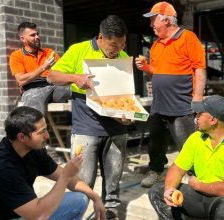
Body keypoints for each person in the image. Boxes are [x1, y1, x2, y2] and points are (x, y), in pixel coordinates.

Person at [47, 15, 130, 220]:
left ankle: (109, 213)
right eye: (113, 44)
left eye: (122, 44)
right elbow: (52, 76)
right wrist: (76, 78)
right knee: (83, 181)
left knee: (113, 181)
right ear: (101, 37)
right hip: (87, 128)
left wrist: (129, 115)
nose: (117, 49)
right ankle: (81, 213)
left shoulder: (122, 56)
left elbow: (126, 94)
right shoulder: (78, 50)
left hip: (117, 128)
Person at [0, 106, 105, 220]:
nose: (47, 136)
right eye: (41, 132)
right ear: (22, 137)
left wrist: (95, 197)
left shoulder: (32, 151)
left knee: (79, 199)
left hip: (23, 212)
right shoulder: (1, 168)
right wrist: (66, 175)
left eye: (46, 129)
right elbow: (38, 216)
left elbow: (69, 179)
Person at [148, 95, 224, 220]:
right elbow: (177, 169)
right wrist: (170, 189)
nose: (196, 118)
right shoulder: (196, 138)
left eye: (200, 114)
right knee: (157, 191)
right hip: (203, 196)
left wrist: (197, 185)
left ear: (212, 120)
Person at [135, 1, 207, 187]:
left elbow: (199, 69)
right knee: (156, 144)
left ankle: (196, 177)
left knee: (188, 144)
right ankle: (157, 171)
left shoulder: (188, 38)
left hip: (181, 105)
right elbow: (157, 72)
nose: (151, 25)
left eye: (153, 21)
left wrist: (197, 98)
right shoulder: (156, 45)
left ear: (166, 20)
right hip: (159, 105)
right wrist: (146, 68)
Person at [9, 22, 71, 115]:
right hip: (32, 90)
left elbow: (63, 73)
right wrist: (43, 68)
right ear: (23, 39)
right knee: (34, 107)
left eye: (37, 34)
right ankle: (38, 129)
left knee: (77, 89)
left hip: (54, 87)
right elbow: (21, 81)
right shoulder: (16, 56)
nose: (37, 37)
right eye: (32, 35)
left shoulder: (49, 52)